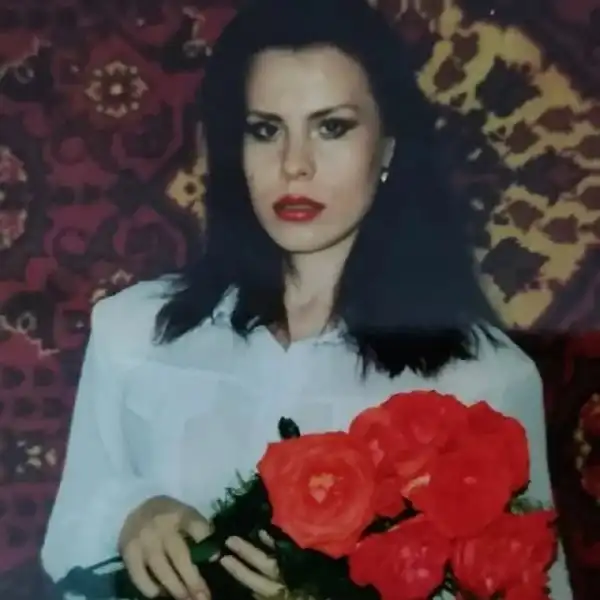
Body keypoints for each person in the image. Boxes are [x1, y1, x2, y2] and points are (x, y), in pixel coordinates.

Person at [41, 0, 573, 598]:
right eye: (265, 130)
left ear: (389, 147)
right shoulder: (133, 332)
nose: (295, 165)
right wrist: (133, 514)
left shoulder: (485, 379)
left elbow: (530, 584)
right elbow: (68, 540)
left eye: (332, 127)